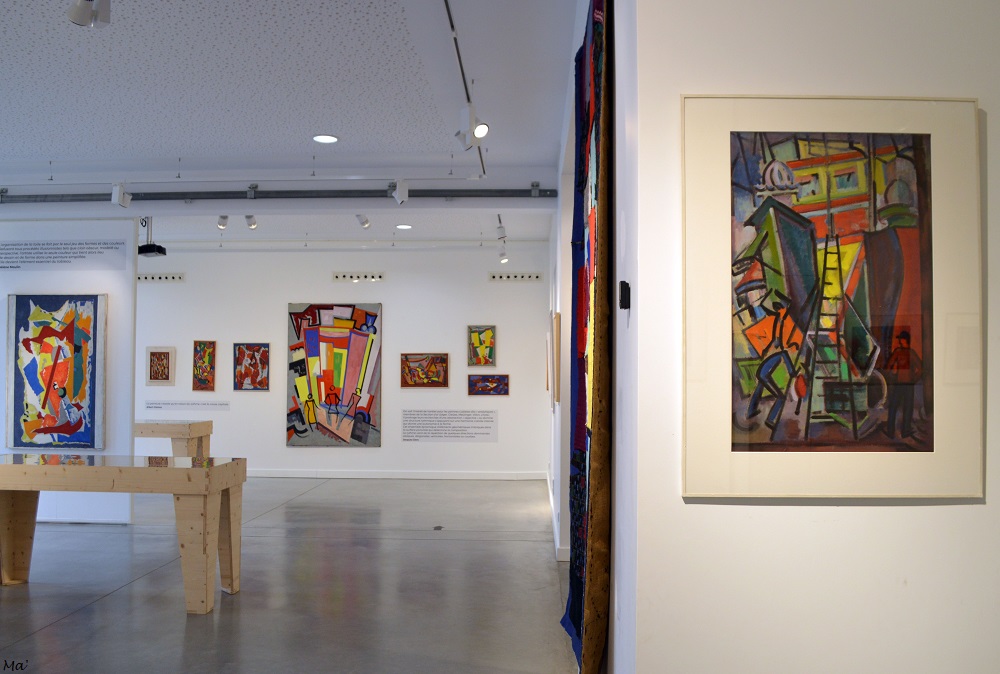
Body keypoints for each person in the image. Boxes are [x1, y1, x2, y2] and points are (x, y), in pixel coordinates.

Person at [746, 299, 801, 430]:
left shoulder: (777, 351)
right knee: (781, 396)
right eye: (792, 347)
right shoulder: (783, 353)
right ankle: (770, 420)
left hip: (762, 373)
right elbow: (790, 368)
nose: (792, 350)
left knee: (759, 389)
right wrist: (793, 372)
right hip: (764, 375)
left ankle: (750, 411)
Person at [884, 330, 923, 439]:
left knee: (906, 407)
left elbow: (920, 368)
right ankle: (893, 431)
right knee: (896, 407)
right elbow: (889, 366)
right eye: (900, 339)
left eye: (901, 338)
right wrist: (892, 377)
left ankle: (901, 431)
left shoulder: (910, 353)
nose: (900, 341)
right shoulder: (899, 352)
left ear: (905, 340)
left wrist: (914, 380)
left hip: (907, 384)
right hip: (901, 384)